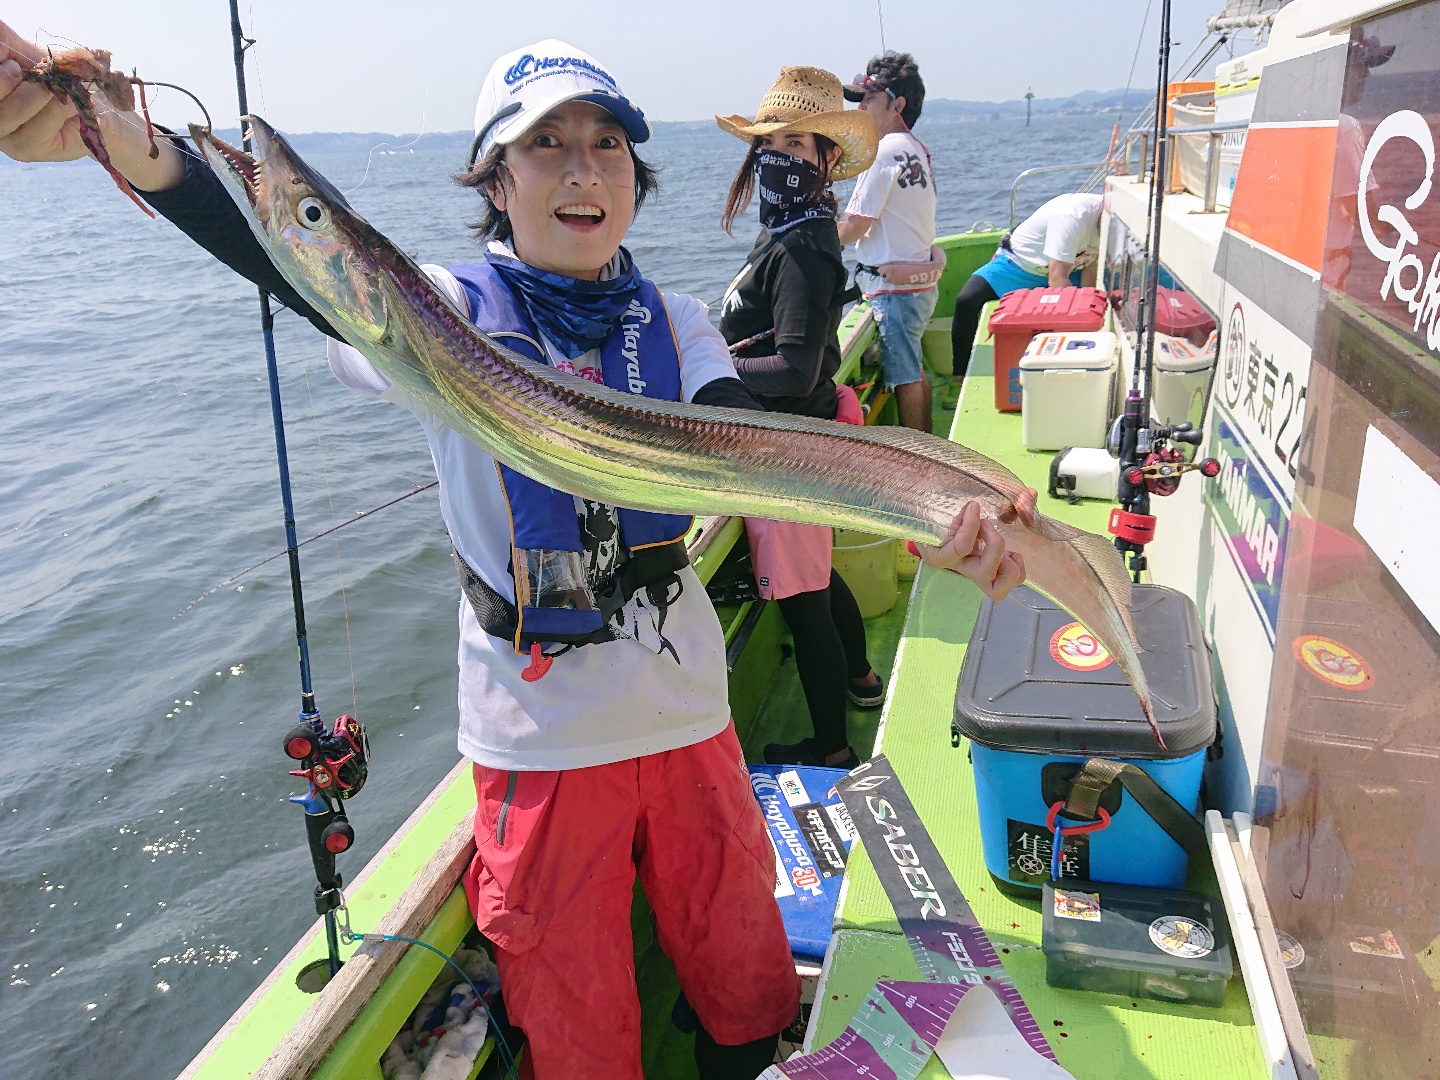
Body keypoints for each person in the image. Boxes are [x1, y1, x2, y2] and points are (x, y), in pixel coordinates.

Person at [0, 22, 1031, 1079]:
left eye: (609, 145)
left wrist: (930, 519)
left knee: (744, 974)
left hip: (691, 719)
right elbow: (291, 258)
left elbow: (752, 443)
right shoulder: (438, 318)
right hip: (536, 742)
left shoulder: (676, 322)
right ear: (494, 180)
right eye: (545, 146)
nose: (583, 169)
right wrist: (134, 147)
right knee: (577, 1026)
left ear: (635, 176)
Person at [714, 66, 884, 769]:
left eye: (799, 142)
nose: (782, 154)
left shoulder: (802, 246)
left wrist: (710, 377)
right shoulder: (797, 228)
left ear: (824, 159)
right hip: (801, 440)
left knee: (803, 600)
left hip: (784, 449)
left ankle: (831, 746)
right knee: (820, 574)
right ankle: (862, 678)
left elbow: (795, 370)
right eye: (772, 141)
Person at [836, 52, 939, 434]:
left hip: (893, 289)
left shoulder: (882, 151)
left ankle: (920, 460)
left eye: (869, 99)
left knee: (904, 377)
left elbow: (857, 224)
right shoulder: (915, 149)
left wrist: (811, 240)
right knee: (914, 371)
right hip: (918, 283)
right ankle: (931, 446)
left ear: (897, 105)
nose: (860, 107)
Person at [950, 191, 1103, 381]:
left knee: (1096, 306)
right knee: (966, 301)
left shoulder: (1118, 225)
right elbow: (1057, 279)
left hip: (1074, 269)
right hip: (1019, 265)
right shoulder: (1073, 216)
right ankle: (959, 375)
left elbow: (1092, 267)